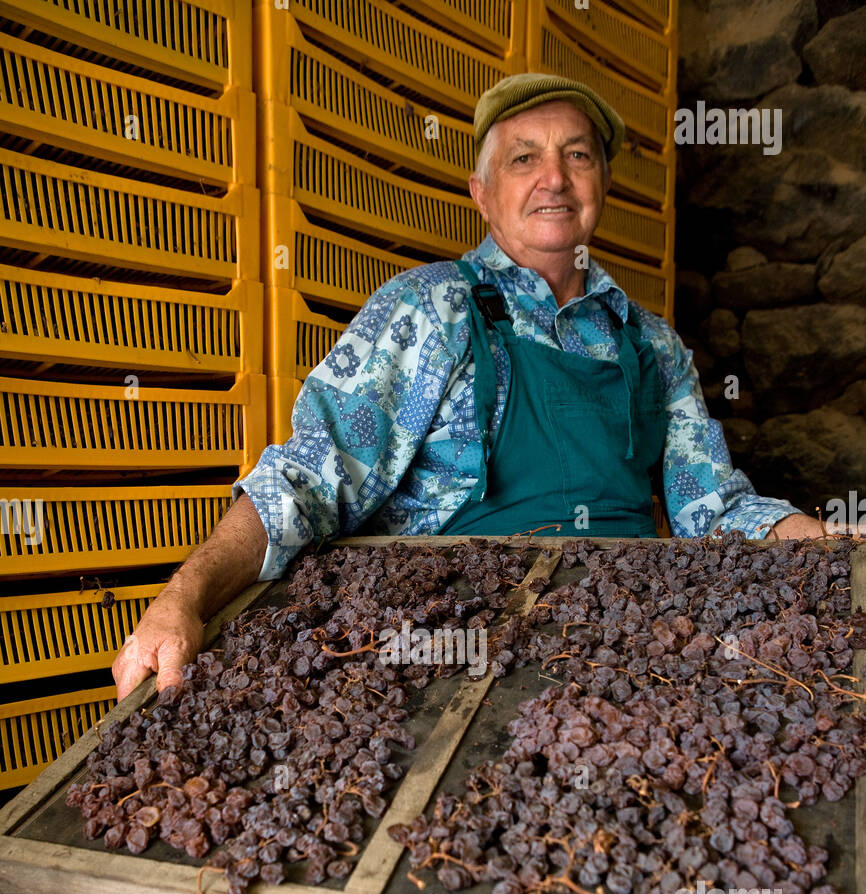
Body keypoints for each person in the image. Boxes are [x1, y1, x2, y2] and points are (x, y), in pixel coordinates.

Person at [114, 73, 831, 701]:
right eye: (525, 158)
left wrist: (814, 538)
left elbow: (713, 503)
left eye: (577, 155)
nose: (554, 178)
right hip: (450, 658)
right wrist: (186, 598)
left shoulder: (650, 341)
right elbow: (306, 480)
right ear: (482, 196)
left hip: (624, 652)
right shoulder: (427, 310)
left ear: (601, 184)